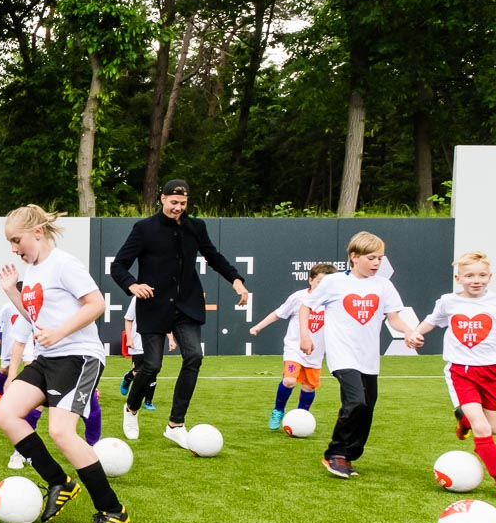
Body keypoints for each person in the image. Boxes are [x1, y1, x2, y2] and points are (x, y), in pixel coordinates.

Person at [0, 204, 130, 523]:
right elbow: (36, 318)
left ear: (37, 233)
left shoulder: (64, 264)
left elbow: (97, 303)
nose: (13, 248)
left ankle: (113, 511)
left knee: (61, 432)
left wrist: (60, 332)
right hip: (48, 357)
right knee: (5, 414)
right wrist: (12, 291)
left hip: (78, 356)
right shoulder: (33, 271)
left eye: (16, 240)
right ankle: (59, 481)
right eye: (10, 242)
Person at [110, 178, 249, 448]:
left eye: (183, 203)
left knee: (194, 356)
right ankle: (131, 408)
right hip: (153, 305)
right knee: (151, 366)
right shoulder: (144, 229)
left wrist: (236, 280)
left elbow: (214, 257)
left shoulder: (196, 227)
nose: (178, 207)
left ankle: (175, 424)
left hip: (186, 305)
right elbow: (119, 265)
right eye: (174, 202)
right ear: (162, 199)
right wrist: (133, 285)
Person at [405, 252, 496, 502]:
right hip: (461, 372)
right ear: (458, 278)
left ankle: (464, 419)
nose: (476, 280)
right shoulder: (448, 302)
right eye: (470, 275)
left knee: (494, 428)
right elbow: (431, 321)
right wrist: (416, 333)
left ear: (490, 276)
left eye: (482, 275)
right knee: (482, 427)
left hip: (491, 372)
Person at [299, 231, 410, 479]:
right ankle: (335, 454)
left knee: (367, 407)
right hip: (342, 356)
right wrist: (305, 335)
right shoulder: (334, 282)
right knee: (356, 402)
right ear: (354, 256)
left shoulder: (383, 285)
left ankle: (349, 456)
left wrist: (409, 332)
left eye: (380, 258)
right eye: (371, 258)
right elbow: (306, 306)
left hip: (369, 359)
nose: (376, 263)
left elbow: (394, 318)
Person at [2, 311, 105, 471]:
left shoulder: (70, 306)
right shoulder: (31, 308)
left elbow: (95, 308)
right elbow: (20, 342)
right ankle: (20, 451)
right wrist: (12, 375)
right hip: (44, 362)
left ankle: (94, 448)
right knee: (30, 405)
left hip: (75, 363)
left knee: (89, 404)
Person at [249, 263, 339, 429]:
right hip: (294, 349)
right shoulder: (299, 297)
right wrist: (258, 326)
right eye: (319, 282)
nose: (323, 286)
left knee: (308, 387)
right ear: (310, 280)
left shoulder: (334, 302)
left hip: (315, 353)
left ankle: (301, 417)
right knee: (289, 380)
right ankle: (278, 410)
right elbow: (278, 314)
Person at [118, 297, 161, 411]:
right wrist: (129, 339)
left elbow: (164, 321)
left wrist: (171, 339)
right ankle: (128, 377)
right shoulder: (137, 299)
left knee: (153, 371)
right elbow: (128, 319)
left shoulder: (162, 297)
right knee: (139, 373)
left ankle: (148, 401)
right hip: (138, 342)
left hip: (154, 342)